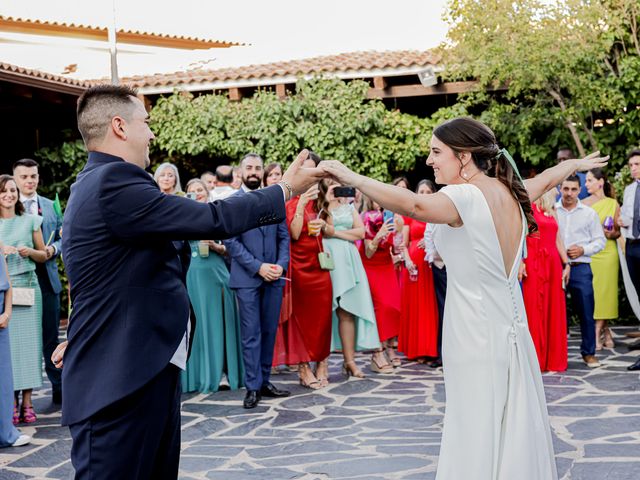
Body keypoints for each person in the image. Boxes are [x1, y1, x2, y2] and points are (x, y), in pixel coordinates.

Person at [55, 84, 321, 479]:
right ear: (119, 127)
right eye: (145, 123)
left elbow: (105, 274)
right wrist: (283, 191)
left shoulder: (103, 183)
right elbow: (211, 219)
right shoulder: (113, 183)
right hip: (120, 379)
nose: (152, 134)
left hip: (143, 364)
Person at [320, 116, 607, 480]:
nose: (430, 160)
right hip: (512, 329)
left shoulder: (463, 195)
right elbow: (549, 177)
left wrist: (352, 177)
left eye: (436, 152)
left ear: (465, 156)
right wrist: (572, 165)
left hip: (473, 332)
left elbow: (415, 206)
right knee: (510, 420)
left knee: (475, 424)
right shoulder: (511, 190)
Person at [225, 153, 291, 409]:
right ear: (240, 171)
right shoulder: (232, 202)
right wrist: (258, 267)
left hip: (274, 276)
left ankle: (264, 380)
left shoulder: (273, 200)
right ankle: (252, 387)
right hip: (247, 278)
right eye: (249, 168)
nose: (253, 171)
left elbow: (283, 237)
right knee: (250, 334)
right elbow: (230, 241)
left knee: (268, 331)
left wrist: (280, 265)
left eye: (258, 168)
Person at [274, 152, 333, 389]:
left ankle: (323, 362)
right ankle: (303, 367)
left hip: (320, 266)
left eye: (313, 170)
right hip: (299, 267)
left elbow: (329, 229)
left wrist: (323, 226)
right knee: (301, 319)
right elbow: (295, 233)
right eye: (305, 170)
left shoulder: (322, 200)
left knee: (322, 317)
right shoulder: (289, 199)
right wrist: (300, 204)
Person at [181, 179, 244, 393]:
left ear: (207, 192)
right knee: (195, 326)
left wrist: (217, 246)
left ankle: (222, 373)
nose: (197, 193)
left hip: (216, 273)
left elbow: (230, 248)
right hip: (192, 275)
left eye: (200, 190)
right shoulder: (182, 216)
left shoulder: (216, 214)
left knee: (219, 324)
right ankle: (196, 376)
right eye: (192, 191)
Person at [320, 180, 386, 377]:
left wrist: (336, 233)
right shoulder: (320, 206)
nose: (333, 184)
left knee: (346, 311)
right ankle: (320, 363)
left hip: (348, 260)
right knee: (324, 311)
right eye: (329, 181)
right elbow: (323, 229)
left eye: (336, 181)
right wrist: (327, 201)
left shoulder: (349, 208)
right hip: (328, 258)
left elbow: (360, 232)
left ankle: (350, 362)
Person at [13, 158, 64, 405]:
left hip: (48, 280)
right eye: (24, 177)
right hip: (20, 281)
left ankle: (59, 388)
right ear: (15, 179)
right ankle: (19, 395)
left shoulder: (49, 205)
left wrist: (54, 248)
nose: (29, 181)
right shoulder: (8, 207)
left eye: (33, 176)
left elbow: (65, 235)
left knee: (50, 336)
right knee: (21, 337)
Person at [0, 175, 48, 425]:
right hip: (3, 294)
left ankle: (27, 402)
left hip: (29, 290)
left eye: (13, 190)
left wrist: (30, 252)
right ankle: (8, 402)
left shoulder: (31, 221)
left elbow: (44, 255)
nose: (9, 195)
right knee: (7, 352)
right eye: (4, 191)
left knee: (29, 349)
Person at [557, 176, 606, 368]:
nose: (569, 193)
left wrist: (583, 250)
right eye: (566, 188)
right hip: (557, 267)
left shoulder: (589, 213)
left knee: (586, 311)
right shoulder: (552, 211)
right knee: (556, 313)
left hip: (581, 267)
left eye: (573, 189)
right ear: (560, 188)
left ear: (579, 190)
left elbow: (600, 241)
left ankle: (589, 352)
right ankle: (556, 353)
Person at [520, 189, 569, 372]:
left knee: (553, 308)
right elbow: (520, 237)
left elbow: (558, 240)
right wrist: (521, 262)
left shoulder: (553, 212)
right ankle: (536, 360)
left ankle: (553, 359)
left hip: (553, 263)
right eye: (554, 188)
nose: (558, 192)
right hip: (533, 261)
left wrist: (567, 263)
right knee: (534, 308)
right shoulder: (529, 209)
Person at [398, 180, 440, 363]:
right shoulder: (410, 215)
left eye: (427, 191)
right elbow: (403, 243)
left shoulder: (437, 215)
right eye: (420, 191)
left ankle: (428, 349)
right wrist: (406, 260)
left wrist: (432, 241)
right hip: (413, 266)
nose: (423, 194)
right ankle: (414, 349)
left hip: (430, 265)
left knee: (429, 307)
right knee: (415, 307)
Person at [582, 169, 620, 350]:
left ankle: (598, 333)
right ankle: (605, 330)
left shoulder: (613, 204)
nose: (585, 184)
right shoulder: (582, 204)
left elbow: (618, 231)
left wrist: (612, 233)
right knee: (594, 295)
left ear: (601, 182)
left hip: (608, 253)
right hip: (590, 252)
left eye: (589, 180)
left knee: (606, 294)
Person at [361, 198, 401, 367]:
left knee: (395, 307)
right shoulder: (365, 218)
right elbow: (368, 252)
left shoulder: (388, 218)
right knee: (381, 307)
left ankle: (390, 347)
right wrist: (378, 236)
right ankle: (377, 353)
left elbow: (395, 245)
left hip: (387, 266)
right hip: (372, 266)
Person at [0, 243, 31, 447]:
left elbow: (8, 285)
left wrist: (7, 314)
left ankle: (5, 433)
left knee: (3, 378)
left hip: (1, 322)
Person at [618, 150, 640, 371]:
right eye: (631, 164)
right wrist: (620, 220)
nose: (633, 168)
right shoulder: (629, 190)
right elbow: (627, 216)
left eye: (637, 164)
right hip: (633, 247)